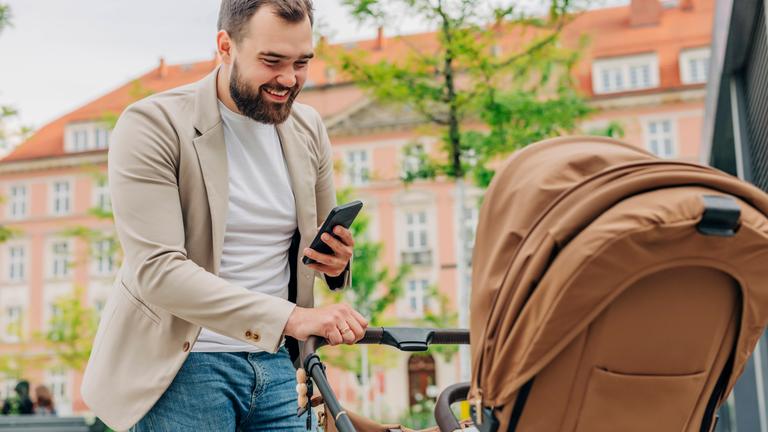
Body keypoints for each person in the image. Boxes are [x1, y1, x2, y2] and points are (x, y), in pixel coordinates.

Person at [80, 1, 368, 431]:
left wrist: (338, 261)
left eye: (301, 63)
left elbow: (322, 242)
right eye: (272, 61)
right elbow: (158, 271)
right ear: (225, 46)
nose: (288, 79)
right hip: (182, 368)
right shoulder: (153, 125)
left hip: (276, 367)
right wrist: (292, 318)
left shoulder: (308, 128)